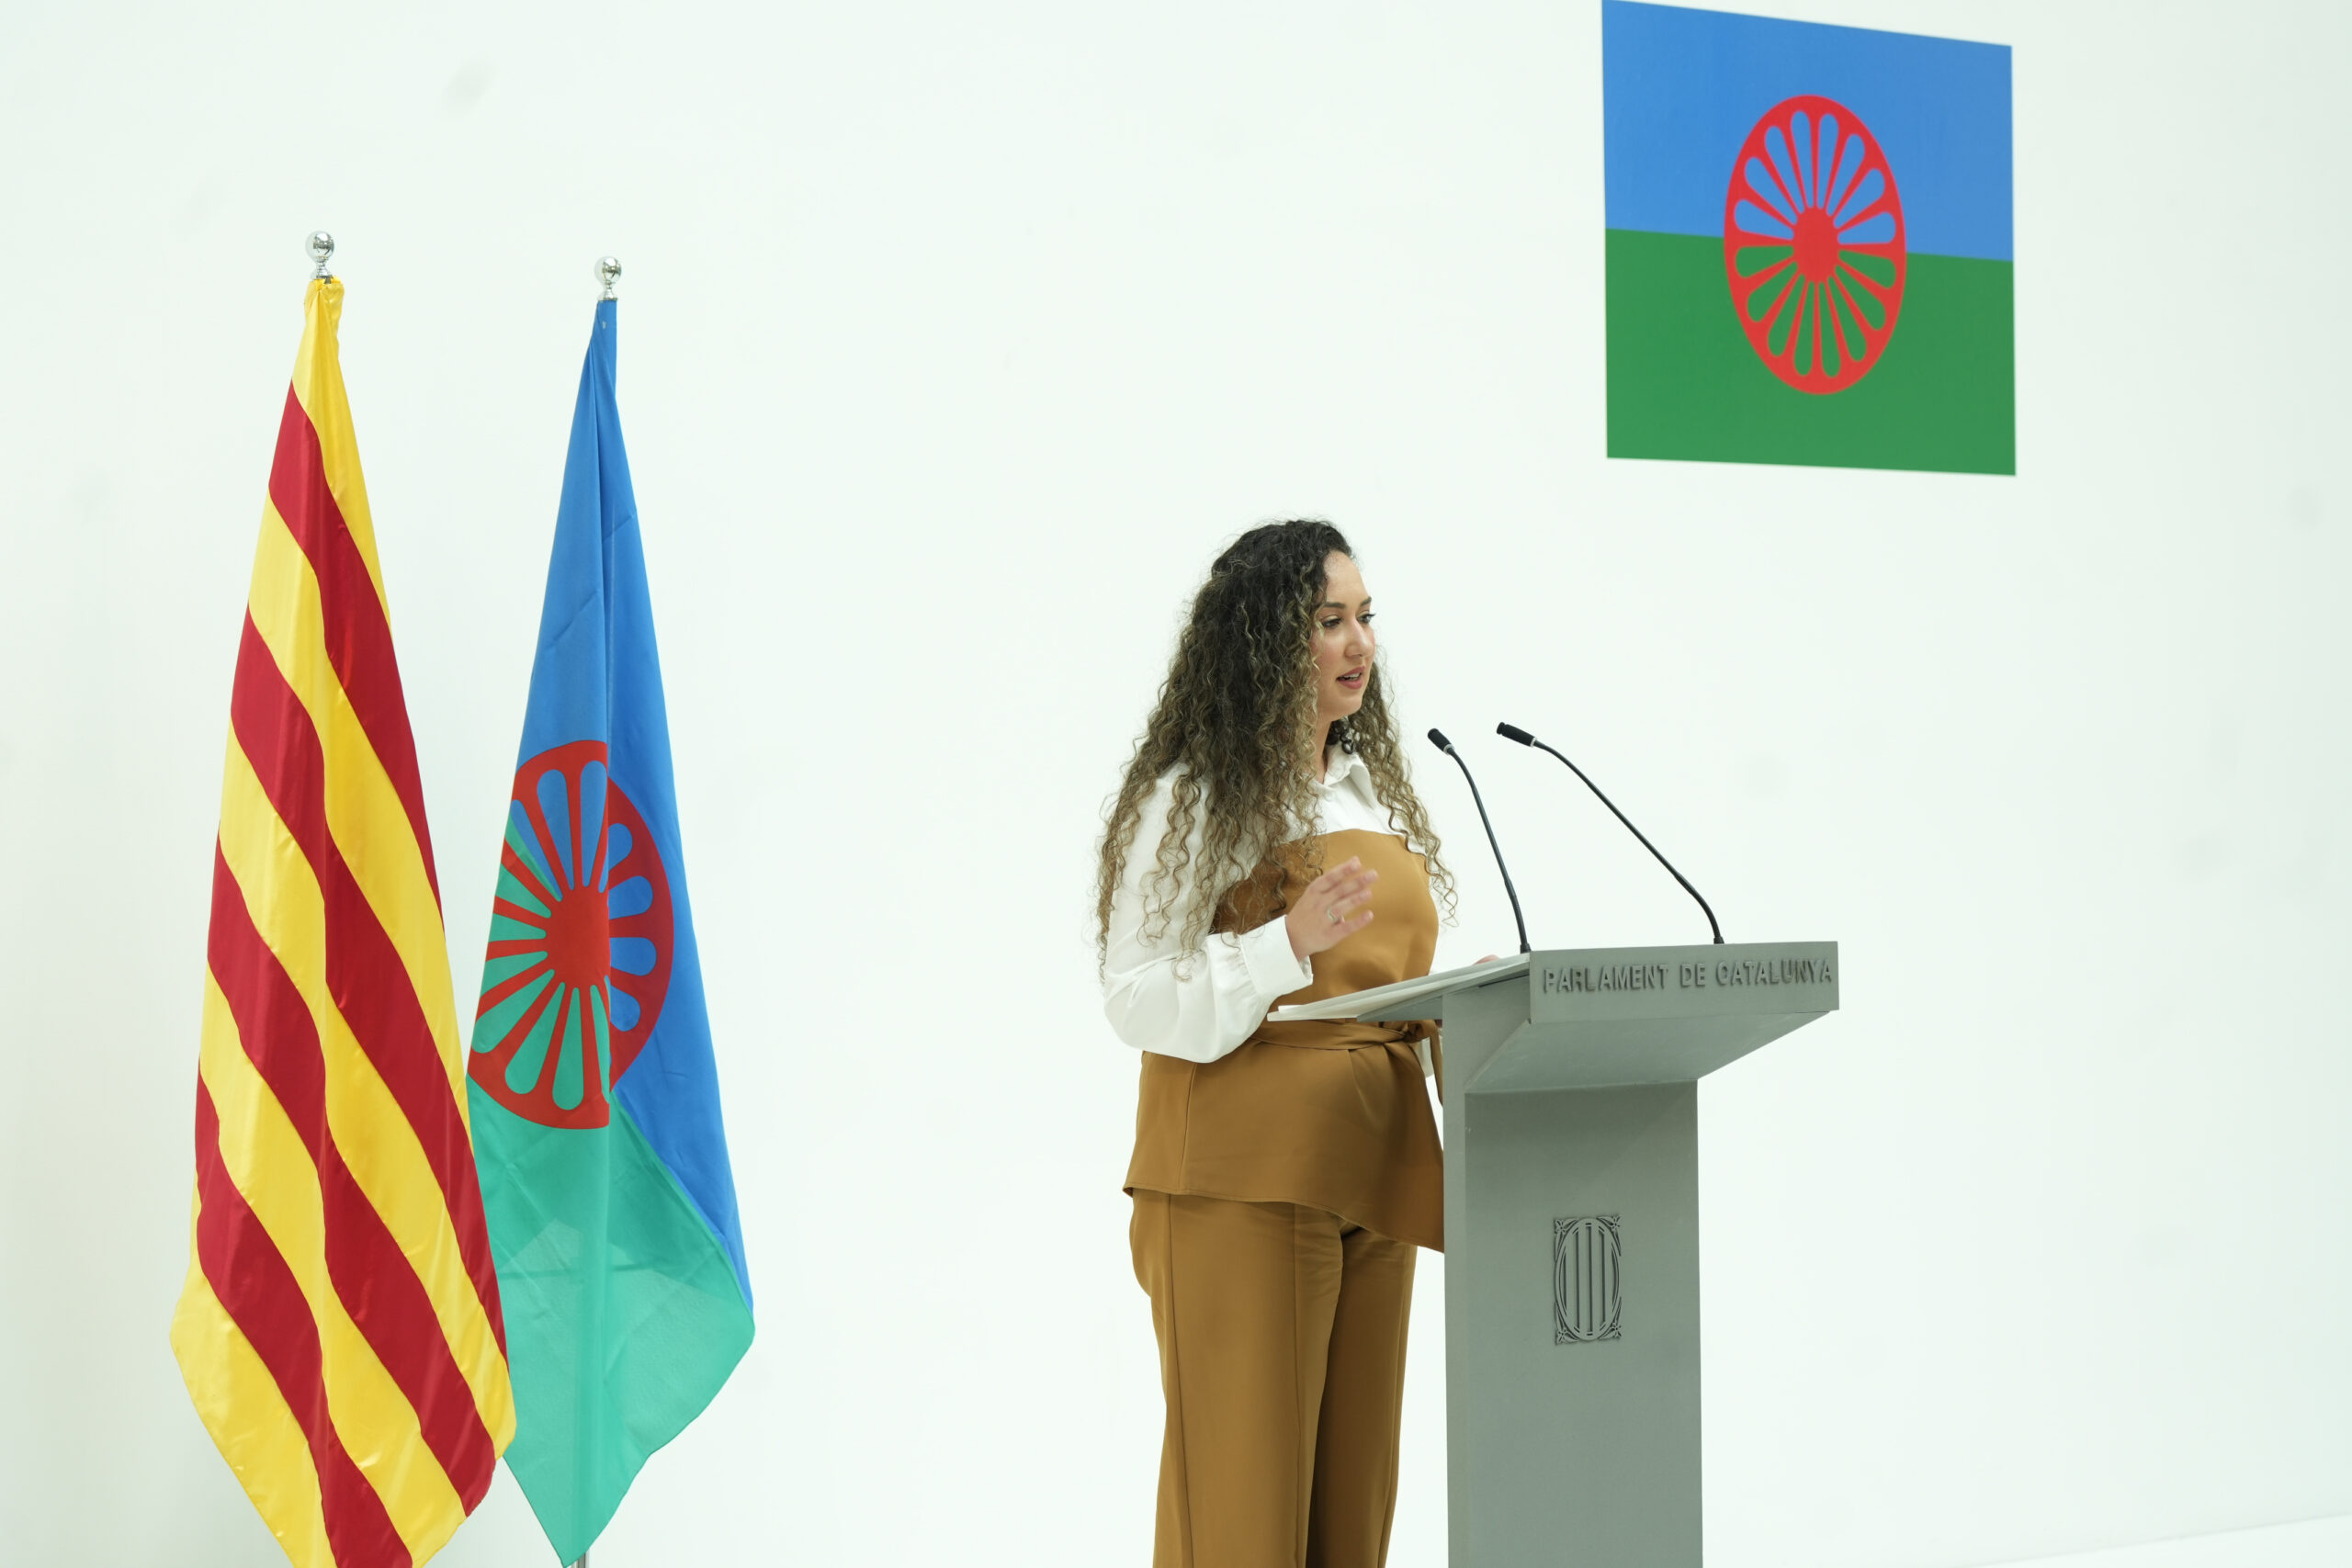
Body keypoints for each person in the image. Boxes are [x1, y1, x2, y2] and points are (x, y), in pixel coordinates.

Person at [1096, 519, 1454, 1568]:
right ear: (1263, 640)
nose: (1359, 643)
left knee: (1352, 1524)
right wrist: (1280, 944)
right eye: (1329, 621)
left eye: (1365, 618)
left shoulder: (1366, 794)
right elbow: (1133, 995)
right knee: (1243, 1524)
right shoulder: (1197, 797)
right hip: (1242, 1183)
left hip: (1377, 1174)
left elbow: (1380, 983)